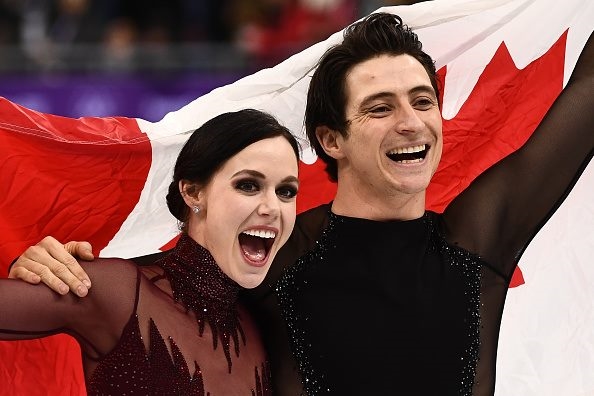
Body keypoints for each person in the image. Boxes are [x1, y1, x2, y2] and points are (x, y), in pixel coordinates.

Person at [11, 12, 594, 395]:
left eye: (423, 100)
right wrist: (49, 269)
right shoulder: (273, 256)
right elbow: (152, 295)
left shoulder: (477, 242)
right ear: (330, 139)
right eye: (380, 107)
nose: (412, 122)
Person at [1, 108, 301, 395]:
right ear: (193, 192)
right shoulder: (118, 291)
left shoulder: (268, 322)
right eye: (248, 185)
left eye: (286, 192)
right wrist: (21, 264)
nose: (272, 208)